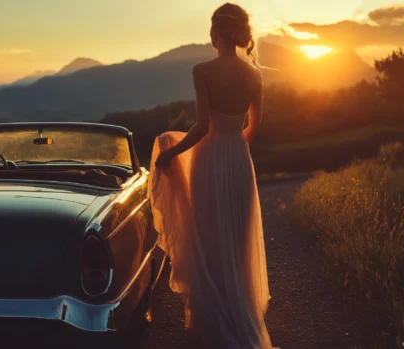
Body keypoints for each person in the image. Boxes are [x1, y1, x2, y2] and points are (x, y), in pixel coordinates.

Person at [147, 3, 278, 348]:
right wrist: (233, 149)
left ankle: (215, 317)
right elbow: (254, 128)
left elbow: (203, 125)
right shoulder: (255, 74)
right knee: (235, 238)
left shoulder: (202, 70)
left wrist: (172, 153)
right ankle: (242, 314)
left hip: (209, 159)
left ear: (215, 32)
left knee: (207, 236)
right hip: (239, 159)